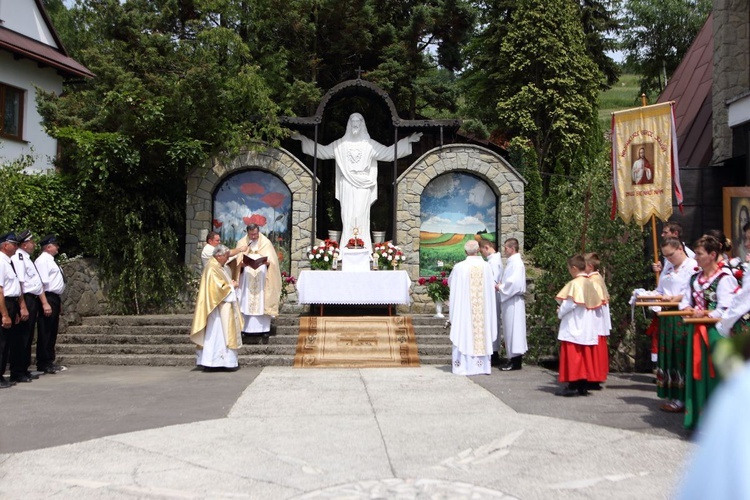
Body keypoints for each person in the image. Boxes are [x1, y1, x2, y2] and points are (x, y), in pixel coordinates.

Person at [291, 113, 422, 251]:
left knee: (360, 214)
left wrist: (408, 141)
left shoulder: (370, 145)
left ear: (362, 124)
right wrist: (302, 139)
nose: (355, 123)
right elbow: (322, 151)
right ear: (349, 124)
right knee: (347, 216)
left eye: (358, 121)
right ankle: (346, 247)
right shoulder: (340, 145)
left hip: (363, 185)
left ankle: (363, 246)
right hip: (347, 184)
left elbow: (389, 153)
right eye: (352, 120)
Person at [678, 235, 738, 430]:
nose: (695, 257)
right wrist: (687, 309)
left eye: (699, 254)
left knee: (715, 377)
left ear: (712, 255)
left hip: (715, 334)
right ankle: (698, 421)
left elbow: (726, 309)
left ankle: (719, 426)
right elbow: (685, 301)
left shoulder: (724, 279)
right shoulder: (694, 278)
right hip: (695, 332)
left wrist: (706, 314)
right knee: (696, 374)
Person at [639, 238, 698, 412]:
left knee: (681, 356)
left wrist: (674, 299)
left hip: (681, 315)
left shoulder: (692, 266)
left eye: (671, 255)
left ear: (680, 249)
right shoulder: (669, 267)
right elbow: (661, 290)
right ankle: (673, 394)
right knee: (669, 354)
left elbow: (691, 292)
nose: (668, 259)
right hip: (666, 316)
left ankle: (685, 398)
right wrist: (648, 296)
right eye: (666, 256)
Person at [555, 255, 604, 397]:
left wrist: (560, 312)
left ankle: (573, 385)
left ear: (574, 268)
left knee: (574, 356)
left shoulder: (576, 283)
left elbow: (569, 303)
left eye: (569, 269)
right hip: (587, 325)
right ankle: (583, 386)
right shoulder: (590, 282)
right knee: (584, 357)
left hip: (575, 324)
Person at [447, 239, 498, 375]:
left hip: (464, 311)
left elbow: (451, 283)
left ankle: (462, 366)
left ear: (465, 252)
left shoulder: (459, 267)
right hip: (482, 313)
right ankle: (482, 367)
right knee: (481, 330)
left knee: (464, 333)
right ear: (477, 251)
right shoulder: (486, 267)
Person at [191, 245, 243, 370]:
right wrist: (231, 286)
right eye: (226, 256)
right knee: (215, 335)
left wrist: (231, 283)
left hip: (221, 307)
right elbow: (217, 288)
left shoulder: (219, 266)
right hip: (216, 309)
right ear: (219, 256)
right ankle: (212, 362)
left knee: (221, 334)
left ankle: (223, 362)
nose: (227, 259)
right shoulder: (212, 267)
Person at [11, 230, 52, 383]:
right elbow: (21, 284)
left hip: (32, 299)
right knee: (21, 336)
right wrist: (22, 306)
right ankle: (18, 370)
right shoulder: (19, 258)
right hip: (26, 299)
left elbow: (36, 283)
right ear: (25, 244)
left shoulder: (27, 258)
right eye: (32, 241)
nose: (34, 244)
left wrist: (43, 301)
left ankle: (24, 368)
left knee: (28, 337)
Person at [232, 223, 281, 335]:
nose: (254, 237)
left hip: (261, 279)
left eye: (255, 234)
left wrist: (266, 262)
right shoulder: (242, 243)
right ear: (247, 233)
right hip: (247, 280)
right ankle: (244, 328)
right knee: (246, 301)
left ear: (258, 232)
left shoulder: (266, 243)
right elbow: (237, 262)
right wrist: (242, 264)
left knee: (262, 301)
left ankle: (263, 329)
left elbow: (272, 262)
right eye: (251, 235)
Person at [35, 234, 66, 374]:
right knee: (45, 331)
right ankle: (44, 362)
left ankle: (49, 360)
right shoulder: (43, 261)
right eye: (55, 244)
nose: (57, 247)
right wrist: (45, 302)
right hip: (47, 296)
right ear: (48, 247)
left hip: (54, 297)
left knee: (52, 331)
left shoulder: (50, 260)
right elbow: (41, 283)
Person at [0, 232, 28, 388]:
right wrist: (4, 314)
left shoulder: (8, 261)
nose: (16, 247)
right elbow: (0, 290)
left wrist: (16, 310)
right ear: (5, 245)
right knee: (2, 342)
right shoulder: (1, 261)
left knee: (7, 342)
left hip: (11, 303)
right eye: (14, 244)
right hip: (4, 303)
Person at [498, 238, 527, 371]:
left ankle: (515, 360)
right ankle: (513, 358)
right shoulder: (512, 262)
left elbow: (514, 283)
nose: (504, 250)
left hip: (513, 300)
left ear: (512, 249)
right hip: (510, 299)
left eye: (506, 248)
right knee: (510, 330)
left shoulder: (516, 263)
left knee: (514, 331)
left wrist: (501, 287)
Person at [584, 253, 612, 387]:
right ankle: (596, 375)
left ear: (589, 266)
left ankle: (593, 377)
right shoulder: (596, 277)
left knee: (594, 346)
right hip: (597, 317)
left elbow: (592, 301)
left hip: (594, 318)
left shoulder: (593, 280)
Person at [479, 239, 503, 362]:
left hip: (492, 296)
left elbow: (492, 281)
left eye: (482, 251)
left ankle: (493, 352)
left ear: (487, 247)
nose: (482, 254)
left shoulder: (493, 262)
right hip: (492, 295)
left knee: (492, 322)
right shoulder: (493, 260)